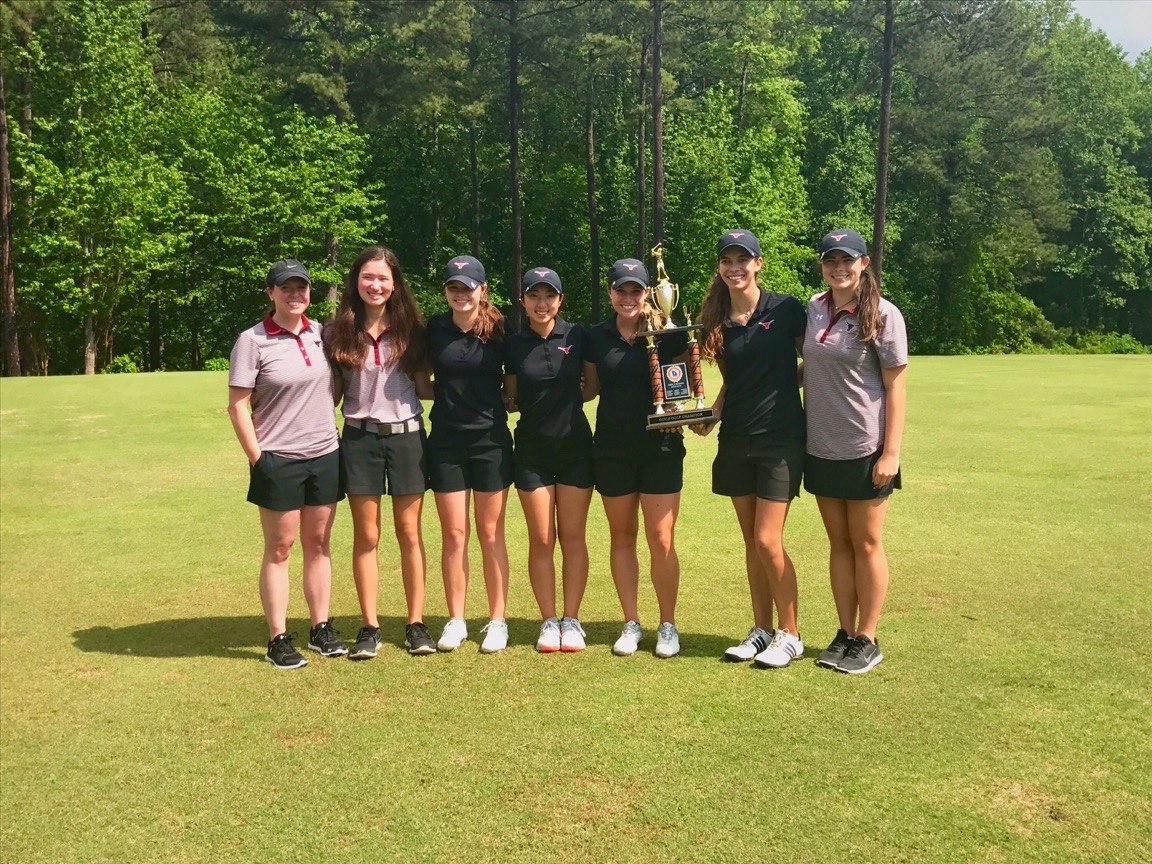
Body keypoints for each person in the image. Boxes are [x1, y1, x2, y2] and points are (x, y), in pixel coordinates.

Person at [694, 229, 807, 668]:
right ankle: (762, 630)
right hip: (736, 438)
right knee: (750, 542)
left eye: (744, 259)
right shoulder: (716, 321)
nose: (735, 268)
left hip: (780, 438)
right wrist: (713, 414)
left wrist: (784, 383)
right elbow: (732, 380)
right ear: (719, 268)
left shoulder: (785, 309)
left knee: (767, 539)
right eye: (727, 261)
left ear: (759, 263)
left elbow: (810, 363)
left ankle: (791, 633)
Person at [227, 259, 346, 669]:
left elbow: (331, 392)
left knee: (319, 544)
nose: (295, 295)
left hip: (326, 453)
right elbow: (238, 405)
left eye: (302, 288)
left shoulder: (321, 335)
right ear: (271, 293)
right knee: (280, 548)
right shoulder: (252, 340)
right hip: (277, 458)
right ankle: (278, 637)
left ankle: (320, 628)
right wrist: (258, 458)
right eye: (286, 288)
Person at [324, 245, 436, 659]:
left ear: (395, 283)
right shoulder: (336, 331)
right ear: (356, 280)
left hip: (407, 437)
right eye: (368, 277)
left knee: (410, 534)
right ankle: (369, 627)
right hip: (359, 439)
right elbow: (330, 393)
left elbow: (425, 387)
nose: (376, 285)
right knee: (367, 535)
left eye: (383, 278)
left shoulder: (414, 331)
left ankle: (415, 623)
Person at [803, 228, 907, 674]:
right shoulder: (813, 308)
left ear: (864, 263)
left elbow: (896, 386)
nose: (839, 268)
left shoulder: (884, 314)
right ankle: (845, 632)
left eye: (848, 260)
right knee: (839, 544)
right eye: (831, 261)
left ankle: (868, 636)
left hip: (866, 447)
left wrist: (891, 452)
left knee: (866, 543)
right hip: (820, 445)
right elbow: (806, 368)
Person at [583, 258, 689, 658]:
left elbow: (682, 388)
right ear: (610, 292)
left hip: (660, 449)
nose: (628, 297)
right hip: (611, 449)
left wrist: (687, 414)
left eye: (635, 290)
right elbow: (589, 390)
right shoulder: (595, 337)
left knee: (661, 539)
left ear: (648, 293)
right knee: (622, 536)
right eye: (620, 289)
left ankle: (667, 624)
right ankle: (630, 622)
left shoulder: (668, 334)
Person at [422, 255, 513, 653]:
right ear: (446, 291)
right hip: (445, 442)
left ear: (483, 289)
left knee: (491, 534)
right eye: (453, 287)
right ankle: (456, 619)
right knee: (454, 534)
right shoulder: (435, 327)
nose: (461, 293)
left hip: (490, 442)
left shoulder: (500, 328)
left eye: (468, 286)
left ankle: (497, 620)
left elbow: (511, 385)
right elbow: (421, 380)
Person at [504, 267, 595, 653]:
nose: (542, 304)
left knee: (572, 537)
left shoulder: (577, 336)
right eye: (533, 296)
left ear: (560, 300)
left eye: (549, 296)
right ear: (523, 300)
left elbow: (591, 388)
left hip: (575, 448)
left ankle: (571, 619)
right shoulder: (513, 343)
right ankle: (548, 620)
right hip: (531, 453)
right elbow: (510, 396)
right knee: (542, 538)